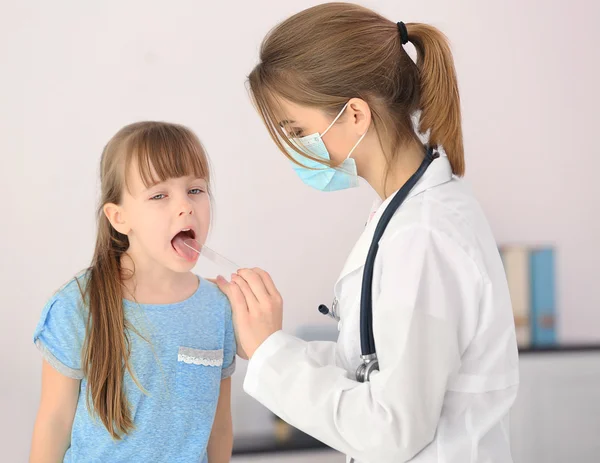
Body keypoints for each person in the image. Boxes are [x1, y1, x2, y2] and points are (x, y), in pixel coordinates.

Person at [216, 3, 518, 462]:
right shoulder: (401, 217)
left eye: (298, 130)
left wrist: (269, 356)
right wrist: (267, 347)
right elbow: (371, 369)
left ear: (355, 115)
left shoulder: (423, 237)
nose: (297, 149)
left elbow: (394, 429)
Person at [30, 121, 236, 463]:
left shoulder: (219, 308)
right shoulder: (77, 306)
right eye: (159, 195)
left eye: (196, 190)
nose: (185, 206)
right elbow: (54, 423)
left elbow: (219, 426)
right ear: (119, 217)